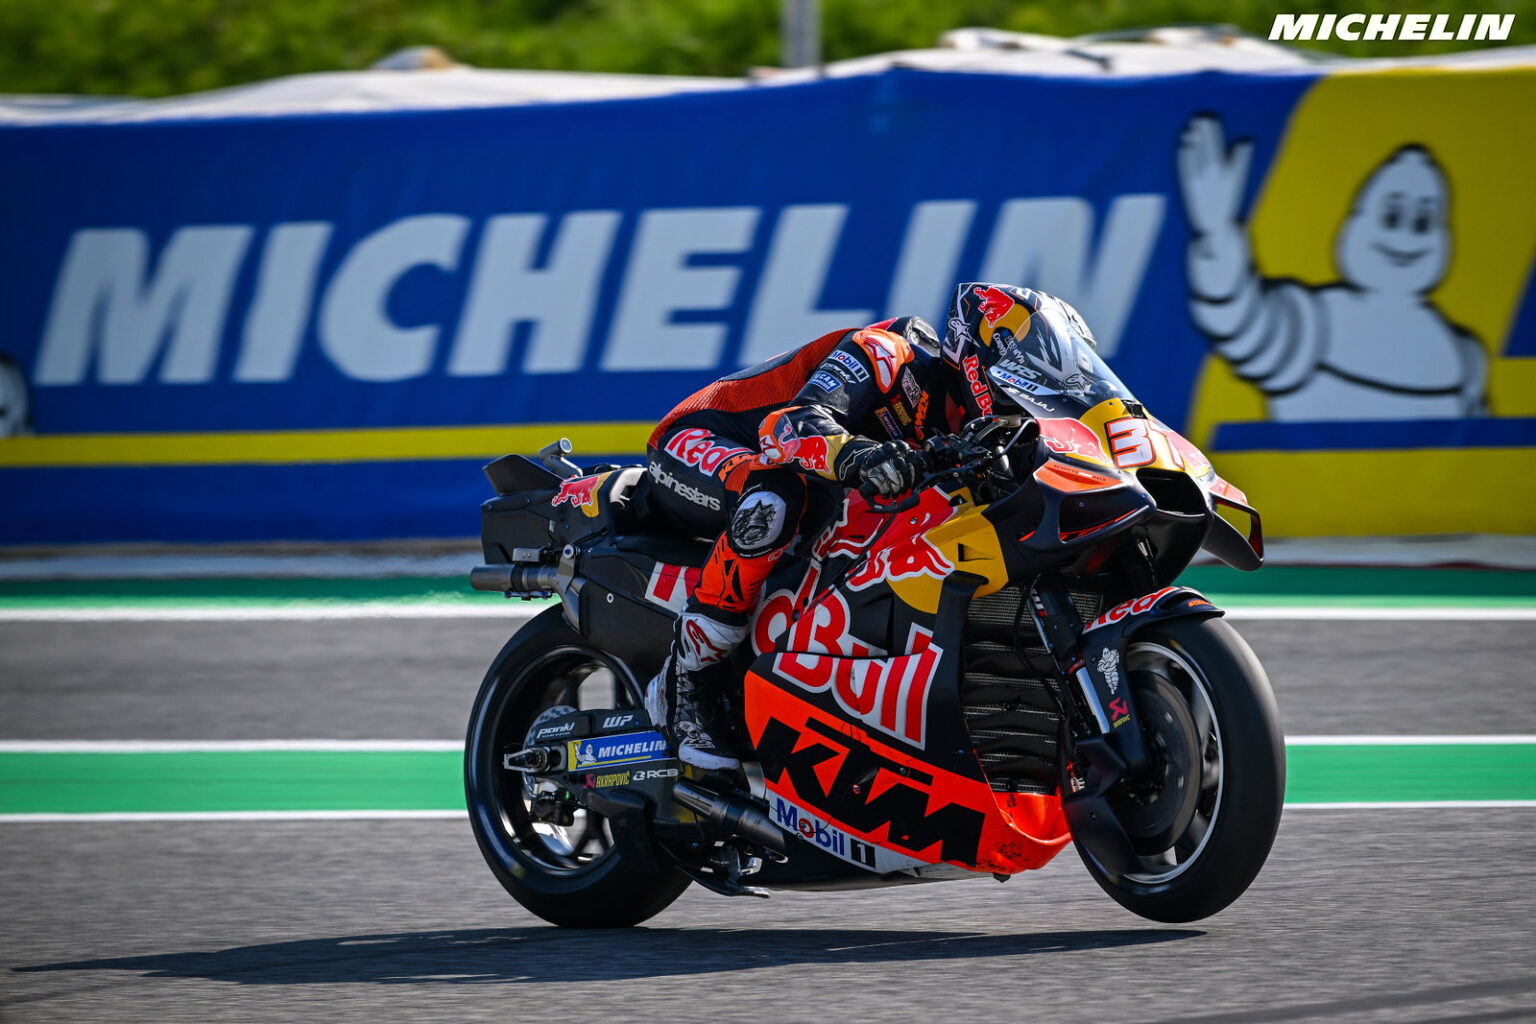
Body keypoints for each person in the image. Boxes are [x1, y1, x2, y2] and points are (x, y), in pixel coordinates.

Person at [642, 281, 1049, 770]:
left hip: (800, 473)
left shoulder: (975, 433)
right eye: (1019, 373)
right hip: (699, 439)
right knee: (774, 498)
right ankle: (685, 679)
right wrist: (860, 453)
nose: (1026, 390)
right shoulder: (885, 355)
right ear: (976, 361)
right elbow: (789, 426)